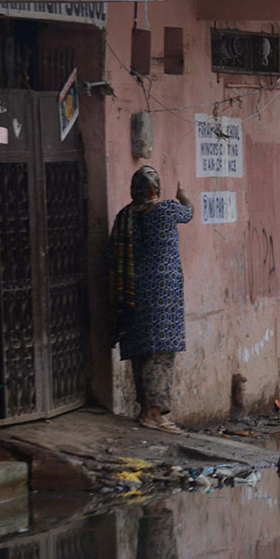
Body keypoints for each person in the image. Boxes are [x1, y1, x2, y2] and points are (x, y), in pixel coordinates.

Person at [108, 166, 193, 433]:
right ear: (156, 188)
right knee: (161, 353)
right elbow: (188, 213)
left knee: (141, 350)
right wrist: (184, 195)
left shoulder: (124, 217)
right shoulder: (167, 210)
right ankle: (155, 415)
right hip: (163, 295)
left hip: (132, 293)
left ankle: (145, 409)